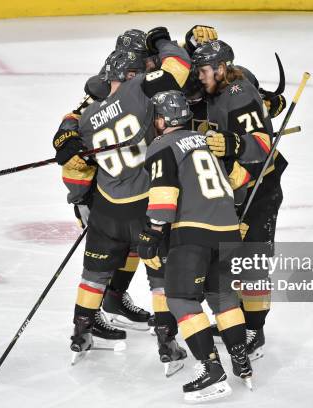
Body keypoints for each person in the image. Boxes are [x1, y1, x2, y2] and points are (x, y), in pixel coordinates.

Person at [53, 27, 193, 365]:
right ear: (131, 73)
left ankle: (81, 333)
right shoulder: (138, 90)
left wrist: (79, 200)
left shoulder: (86, 119)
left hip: (106, 211)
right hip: (144, 205)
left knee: (93, 275)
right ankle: (167, 341)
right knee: (160, 275)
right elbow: (179, 66)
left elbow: (77, 169)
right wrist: (164, 42)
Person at [138, 90, 253, 402]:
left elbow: (164, 195)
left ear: (161, 121)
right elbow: (238, 182)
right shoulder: (207, 141)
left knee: (180, 300)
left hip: (193, 232)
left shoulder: (162, 145)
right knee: (224, 298)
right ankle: (241, 360)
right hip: (228, 231)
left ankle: (211, 370)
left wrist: (152, 232)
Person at [190, 39, 290, 360]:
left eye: (204, 70)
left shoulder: (238, 93)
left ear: (221, 68)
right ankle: (242, 320)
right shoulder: (219, 88)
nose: (200, 76)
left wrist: (233, 142)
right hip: (238, 186)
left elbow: (262, 144)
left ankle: (254, 330)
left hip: (260, 187)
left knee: (252, 263)